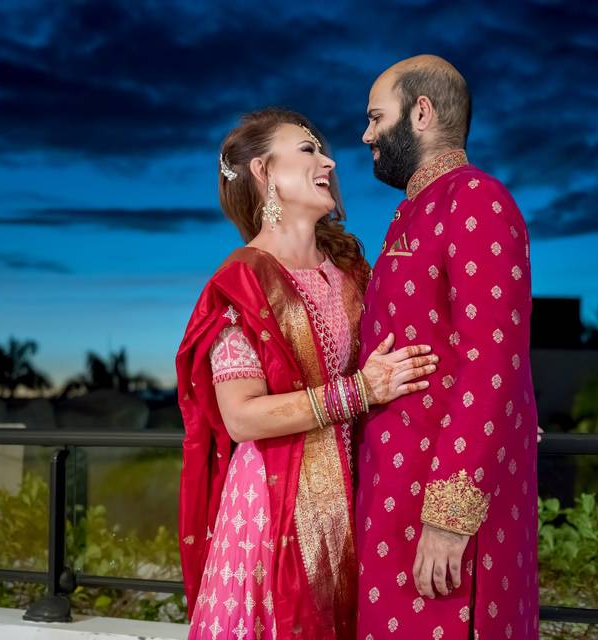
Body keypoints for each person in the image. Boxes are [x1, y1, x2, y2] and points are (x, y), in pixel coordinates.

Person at [176, 108, 437, 640]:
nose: (330, 160)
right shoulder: (240, 283)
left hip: (363, 490)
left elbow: (410, 355)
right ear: (264, 172)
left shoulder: (349, 271)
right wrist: (360, 390)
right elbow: (241, 418)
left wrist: (494, 412)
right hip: (274, 507)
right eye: (308, 149)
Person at [355, 55, 540, 639]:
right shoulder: (414, 210)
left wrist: (450, 520)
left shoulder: (477, 201)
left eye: (375, 117)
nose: (366, 135)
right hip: (392, 494)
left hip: (442, 509)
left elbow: (494, 366)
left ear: (421, 112)